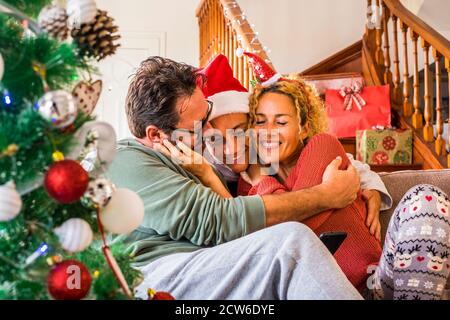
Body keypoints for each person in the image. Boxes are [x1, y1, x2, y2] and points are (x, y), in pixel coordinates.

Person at [107, 56, 363, 299]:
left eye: (207, 113)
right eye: (199, 124)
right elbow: (218, 218)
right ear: (155, 135)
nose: (209, 130)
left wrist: (369, 181)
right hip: (156, 274)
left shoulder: (191, 155)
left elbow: (312, 155)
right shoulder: (124, 159)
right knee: (290, 244)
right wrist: (327, 195)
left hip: (208, 266)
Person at [198, 53, 450, 299]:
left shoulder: (321, 147)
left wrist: (259, 177)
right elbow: (278, 246)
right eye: (261, 122)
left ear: (304, 127)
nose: (268, 132)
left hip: (372, 286)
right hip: (308, 291)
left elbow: (292, 229)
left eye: (281, 122)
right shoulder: (241, 185)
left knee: (427, 198)